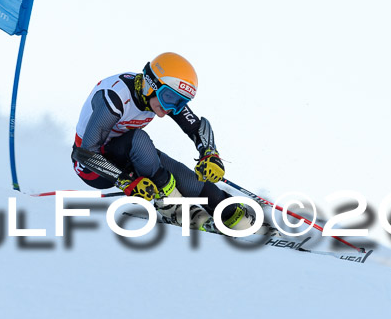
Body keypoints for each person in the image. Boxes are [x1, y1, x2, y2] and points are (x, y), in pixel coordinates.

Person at [71, 52, 256, 232]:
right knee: (139, 140)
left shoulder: (161, 96)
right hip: (92, 170)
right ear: (151, 84)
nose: (171, 108)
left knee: (191, 180)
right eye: (169, 98)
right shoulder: (116, 97)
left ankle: (233, 214)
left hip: (128, 155)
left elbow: (197, 127)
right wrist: (126, 182)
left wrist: (210, 154)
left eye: (180, 102)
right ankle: (171, 207)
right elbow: (84, 153)